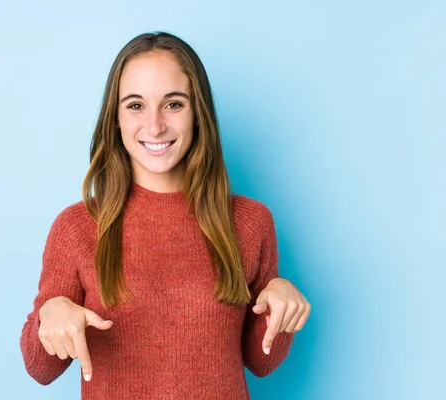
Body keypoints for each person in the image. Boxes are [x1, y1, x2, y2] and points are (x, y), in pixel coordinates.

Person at [20, 31, 311, 399]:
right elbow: (40, 369)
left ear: (197, 114)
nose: (155, 126)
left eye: (173, 104)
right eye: (135, 105)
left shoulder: (249, 221)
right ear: (116, 118)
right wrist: (51, 313)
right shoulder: (78, 226)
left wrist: (281, 305)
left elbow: (260, 362)